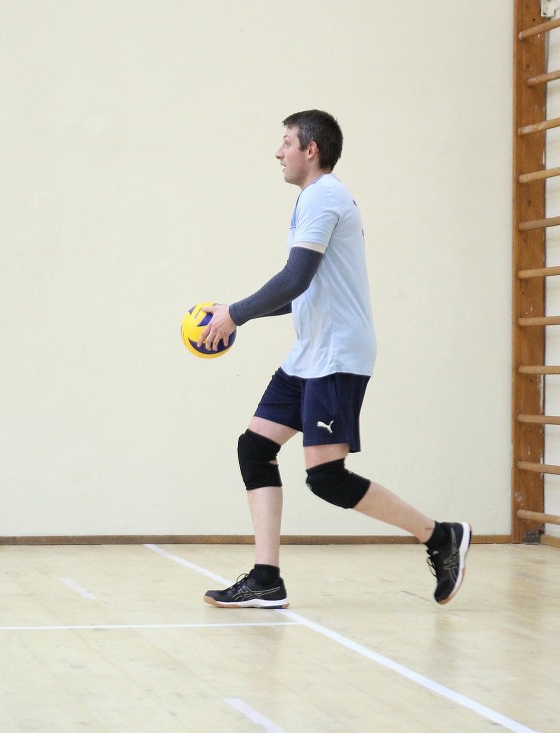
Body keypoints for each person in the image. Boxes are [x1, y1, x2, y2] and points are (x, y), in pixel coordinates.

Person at [197, 110, 470, 609]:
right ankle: (266, 579)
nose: (278, 152)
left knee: (326, 477)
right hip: (310, 353)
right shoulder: (313, 200)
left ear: (311, 150)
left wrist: (235, 313)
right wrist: (237, 315)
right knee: (254, 449)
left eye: (286, 142)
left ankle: (439, 535)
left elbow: (295, 278)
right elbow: (302, 291)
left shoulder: (324, 197)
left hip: (337, 355)